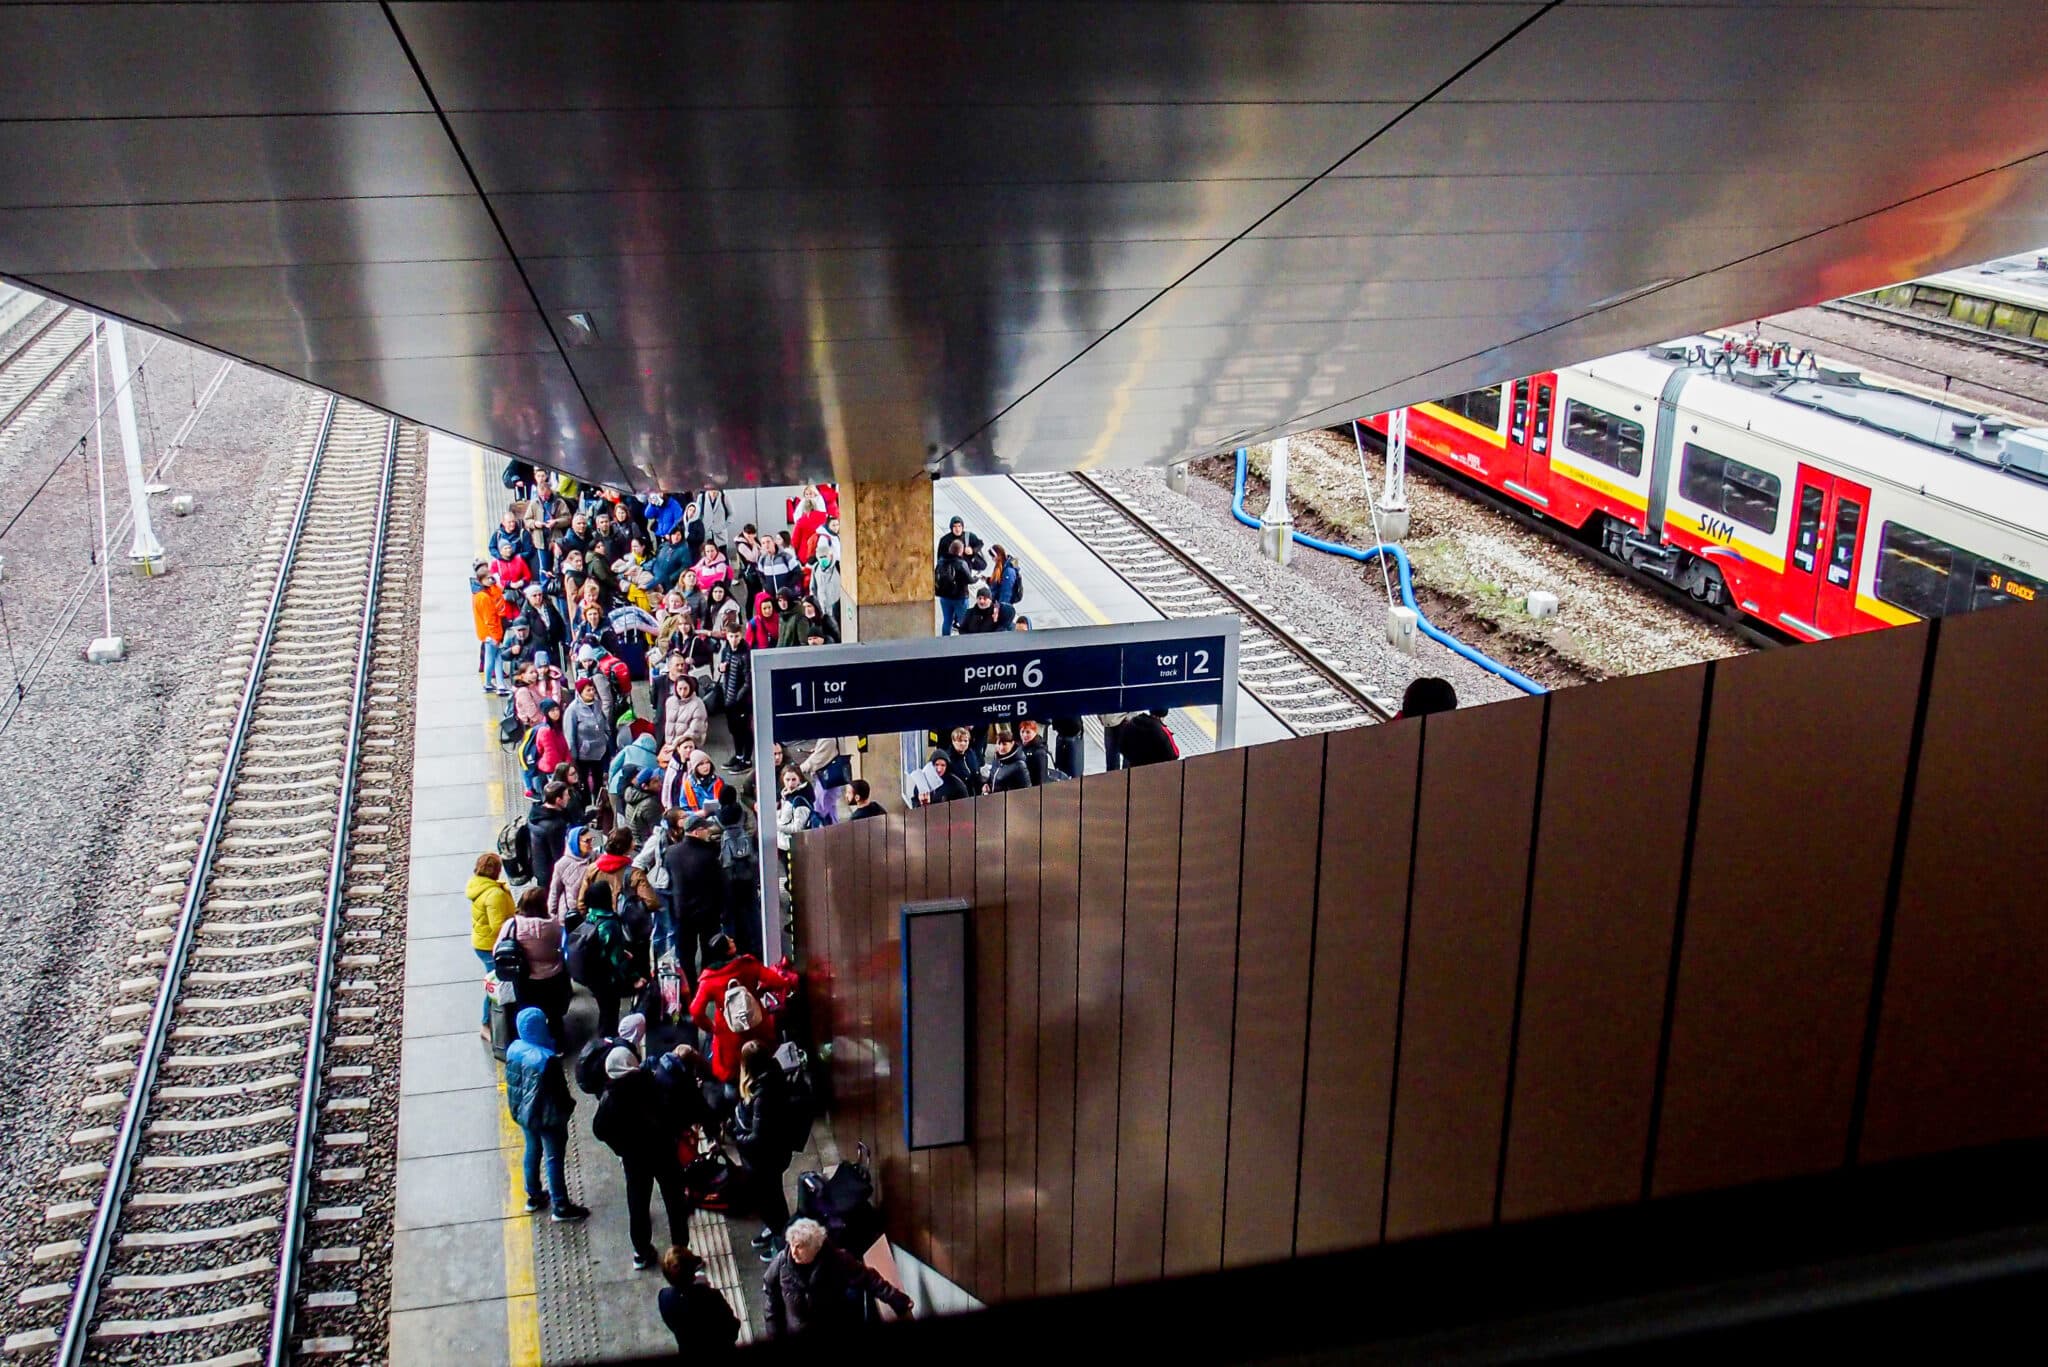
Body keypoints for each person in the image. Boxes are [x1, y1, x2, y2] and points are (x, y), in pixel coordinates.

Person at [591, 1048, 695, 1271]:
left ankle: (642, 1251)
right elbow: (674, 1113)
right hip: (664, 1152)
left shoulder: (610, 1098)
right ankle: (681, 1250)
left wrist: (620, 1147)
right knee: (674, 1201)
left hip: (634, 1160)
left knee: (638, 1203)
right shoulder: (652, 1083)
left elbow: (599, 1129)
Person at [503, 1008, 589, 1221]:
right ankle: (560, 1206)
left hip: (524, 1113)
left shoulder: (514, 1048)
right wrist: (567, 1108)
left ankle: (533, 1195)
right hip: (548, 1117)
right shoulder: (546, 1058)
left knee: (532, 1150)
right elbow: (559, 1092)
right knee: (553, 1159)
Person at [763, 1218, 913, 1337]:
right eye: (792, 1244)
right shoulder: (782, 1262)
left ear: (815, 1247)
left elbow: (869, 1279)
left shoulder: (836, 1260)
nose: (793, 1252)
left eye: (800, 1246)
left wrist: (898, 1300)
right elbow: (771, 1301)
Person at [690, 935, 798, 1091]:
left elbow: (696, 1011)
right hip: (758, 1025)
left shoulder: (709, 980)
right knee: (763, 1061)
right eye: (729, 941)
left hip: (729, 1033)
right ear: (728, 951)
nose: (733, 940)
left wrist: (712, 1028)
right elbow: (777, 981)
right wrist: (761, 990)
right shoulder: (748, 965)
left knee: (733, 1073)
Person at [730, 1040, 800, 1261]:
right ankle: (777, 1231)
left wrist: (737, 1136)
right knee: (770, 1197)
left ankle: (782, 1244)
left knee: (771, 1200)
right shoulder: (770, 1077)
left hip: (765, 1158)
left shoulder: (763, 1094)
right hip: (771, 1155)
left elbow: (758, 1137)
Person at [500, 886, 573, 1041]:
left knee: (527, 1013)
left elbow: (497, 949)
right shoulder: (553, 924)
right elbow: (561, 945)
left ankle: (531, 1041)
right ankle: (558, 1043)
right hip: (552, 975)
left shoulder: (512, 925)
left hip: (525, 978)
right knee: (554, 1014)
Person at [467, 853, 517, 1037]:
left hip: (482, 941)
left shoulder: (479, 885)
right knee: (494, 985)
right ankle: (485, 1024)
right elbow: (498, 926)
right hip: (491, 945)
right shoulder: (493, 894)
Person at [659, 1245, 739, 1357]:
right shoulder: (711, 1297)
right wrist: (704, 1289)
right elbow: (732, 1327)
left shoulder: (664, 1297)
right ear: (693, 1269)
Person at [715, 623, 753, 769]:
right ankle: (738, 755)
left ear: (741, 635)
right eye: (731, 636)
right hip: (728, 698)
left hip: (741, 701)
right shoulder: (726, 650)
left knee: (745, 730)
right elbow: (722, 668)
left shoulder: (746, 654)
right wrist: (721, 668)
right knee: (734, 730)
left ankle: (747, 759)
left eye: (736, 636)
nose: (733, 639)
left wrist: (738, 699)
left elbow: (748, 681)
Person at [546, 825, 596, 923]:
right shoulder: (561, 864)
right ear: (576, 843)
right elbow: (554, 892)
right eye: (587, 841)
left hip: (591, 913)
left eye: (591, 839)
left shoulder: (595, 858)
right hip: (571, 915)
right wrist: (551, 916)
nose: (591, 844)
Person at [933, 537, 972, 635]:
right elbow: (969, 579)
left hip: (944, 596)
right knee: (963, 621)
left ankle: (945, 640)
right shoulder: (961, 563)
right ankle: (965, 641)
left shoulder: (941, 561)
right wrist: (977, 578)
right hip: (960, 597)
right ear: (960, 550)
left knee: (947, 621)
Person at [983, 727, 1032, 793]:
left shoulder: (1019, 765)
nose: (1001, 747)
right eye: (999, 744)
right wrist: (987, 786)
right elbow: (992, 778)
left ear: (1012, 743)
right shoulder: (997, 760)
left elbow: (1027, 790)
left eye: (1004, 744)